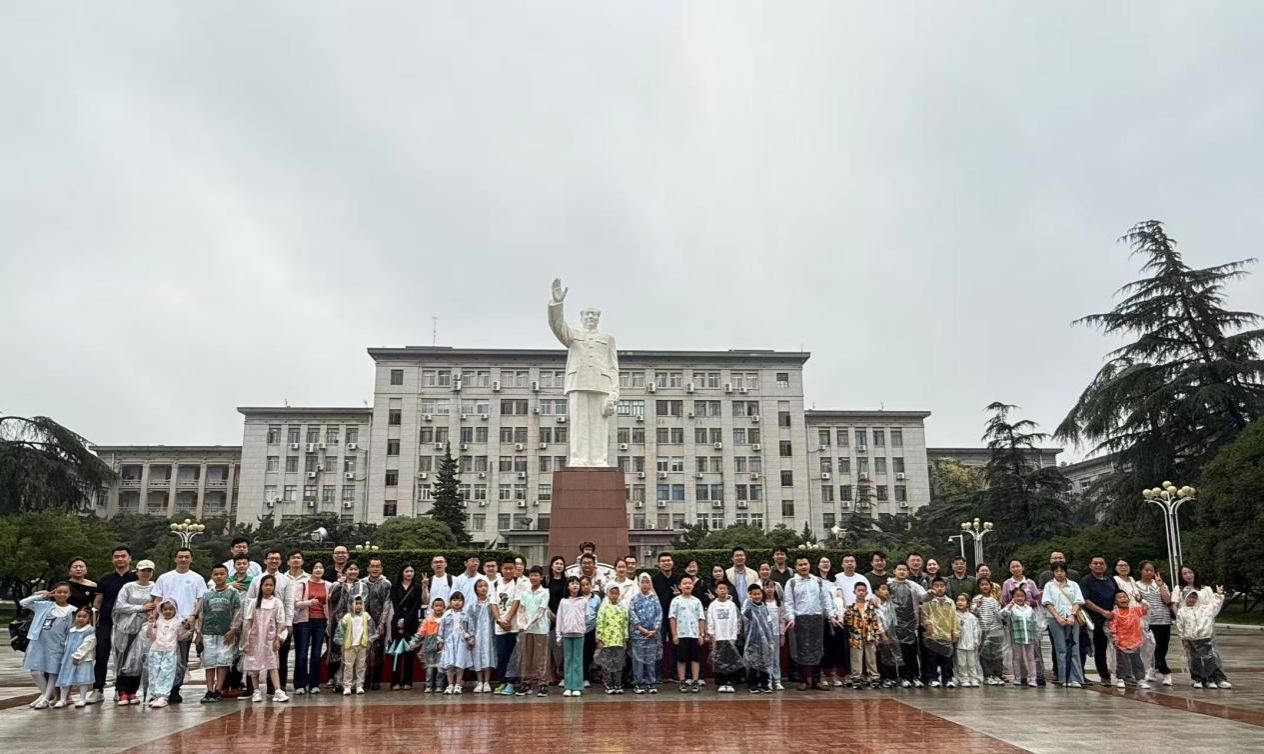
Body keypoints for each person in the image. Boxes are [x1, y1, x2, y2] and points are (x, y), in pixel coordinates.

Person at [149, 548, 207, 704]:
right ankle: (158, 690)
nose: (183, 559)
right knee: (160, 658)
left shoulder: (197, 578)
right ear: (175, 559)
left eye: (186, 557)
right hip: (164, 623)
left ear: (191, 559)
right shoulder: (164, 577)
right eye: (180, 557)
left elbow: (201, 600)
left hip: (184, 623)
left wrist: (193, 616)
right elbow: (158, 599)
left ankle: (175, 689)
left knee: (181, 658)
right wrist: (154, 618)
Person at [244, 549, 294, 694]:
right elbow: (249, 601)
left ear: (281, 561)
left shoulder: (286, 580)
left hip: (277, 625)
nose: (274, 561)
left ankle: (277, 688)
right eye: (271, 558)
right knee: (254, 656)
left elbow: (289, 603)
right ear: (265, 560)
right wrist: (247, 627)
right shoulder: (256, 580)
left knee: (279, 656)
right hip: (257, 626)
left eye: (277, 558)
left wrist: (288, 623)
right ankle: (253, 689)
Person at [90, 546, 135, 705]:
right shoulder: (105, 579)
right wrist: (93, 622)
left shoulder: (135, 579)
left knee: (123, 658)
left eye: (123, 556)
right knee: (101, 655)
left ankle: (120, 689)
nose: (120, 559)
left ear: (129, 558)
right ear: (112, 559)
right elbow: (98, 602)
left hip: (127, 624)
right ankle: (97, 689)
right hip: (105, 622)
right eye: (117, 556)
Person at [784, 555, 836, 691]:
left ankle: (816, 680)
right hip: (800, 619)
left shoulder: (818, 581)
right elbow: (788, 602)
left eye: (805, 564)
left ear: (809, 565)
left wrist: (831, 615)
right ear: (796, 567)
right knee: (802, 649)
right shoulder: (791, 582)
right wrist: (791, 618)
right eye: (800, 565)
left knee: (817, 649)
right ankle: (803, 680)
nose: (803, 567)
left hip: (816, 618)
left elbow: (826, 599)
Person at [21, 584, 75, 709]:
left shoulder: (71, 610)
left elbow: (71, 630)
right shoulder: (44, 605)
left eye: (65, 592)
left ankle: (45, 699)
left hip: (57, 645)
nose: (61, 594)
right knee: (35, 671)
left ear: (69, 594)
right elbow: (24, 602)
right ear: (53, 593)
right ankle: (48, 694)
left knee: (52, 671)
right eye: (58, 592)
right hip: (38, 642)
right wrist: (42, 596)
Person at [110, 560, 156, 705]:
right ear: (137, 572)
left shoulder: (155, 587)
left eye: (149, 571)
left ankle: (133, 691)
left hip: (145, 628)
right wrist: (141, 608)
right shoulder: (128, 587)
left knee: (138, 659)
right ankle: (122, 691)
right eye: (143, 570)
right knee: (124, 658)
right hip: (126, 627)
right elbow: (119, 606)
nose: (145, 573)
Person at [196, 564, 242, 703]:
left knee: (223, 661)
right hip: (209, 632)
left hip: (225, 633)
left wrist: (233, 630)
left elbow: (237, 612)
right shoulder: (207, 594)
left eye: (222, 574)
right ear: (212, 576)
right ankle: (209, 690)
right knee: (209, 663)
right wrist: (199, 633)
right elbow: (202, 614)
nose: (219, 576)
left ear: (227, 575)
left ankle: (218, 689)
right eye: (216, 574)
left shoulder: (233, 593)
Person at [242, 574, 289, 703]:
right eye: (266, 585)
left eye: (271, 585)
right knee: (254, 665)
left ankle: (278, 690)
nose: (268, 587)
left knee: (272, 664)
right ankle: (256, 691)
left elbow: (281, 622)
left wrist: (278, 639)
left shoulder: (277, 602)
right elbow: (248, 622)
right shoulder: (254, 603)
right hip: (255, 638)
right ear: (261, 586)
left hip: (270, 639)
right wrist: (246, 640)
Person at [1001, 559, 1046, 686]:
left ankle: (1036, 676)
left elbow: (1037, 598)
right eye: (1013, 566)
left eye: (1018, 566)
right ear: (1010, 569)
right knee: (1017, 655)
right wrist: (1011, 607)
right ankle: (1020, 677)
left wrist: (1028, 603)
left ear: (1022, 567)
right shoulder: (1007, 583)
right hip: (1015, 620)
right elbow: (1005, 600)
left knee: (1033, 653)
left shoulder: (1030, 583)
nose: (1016, 568)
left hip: (1029, 619)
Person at [1079, 555, 1123, 685]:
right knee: (1100, 648)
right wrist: (1102, 611)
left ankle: (1122, 673)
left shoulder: (1110, 579)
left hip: (1113, 617)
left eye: (1101, 563)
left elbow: (1118, 595)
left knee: (1119, 646)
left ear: (1105, 565)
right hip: (1096, 619)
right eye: (1095, 563)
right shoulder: (1086, 580)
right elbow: (1085, 600)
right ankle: (1104, 676)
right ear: (1090, 565)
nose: (1098, 565)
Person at [1176, 587, 1230, 689]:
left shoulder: (1204, 609)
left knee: (1209, 659)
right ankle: (1198, 679)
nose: (1191, 600)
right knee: (1194, 660)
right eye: (1189, 597)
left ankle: (1210, 679)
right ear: (1185, 598)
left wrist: (1219, 595)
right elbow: (1180, 625)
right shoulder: (1182, 611)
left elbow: (1215, 606)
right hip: (1191, 639)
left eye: (1194, 597)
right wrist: (1183, 638)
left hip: (1204, 637)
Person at [1043, 562, 1086, 687]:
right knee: (1061, 648)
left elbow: (1078, 601)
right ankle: (1064, 678)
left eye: (1062, 571)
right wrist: (1057, 617)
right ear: (1053, 573)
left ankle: (1076, 678)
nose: (1059, 573)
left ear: (1066, 572)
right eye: (1056, 571)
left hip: (1072, 618)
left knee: (1074, 648)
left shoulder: (1074, 585)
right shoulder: (1049, 585)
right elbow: (1047, 602)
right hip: (1055, 618)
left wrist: (1072, 615)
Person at [326, 561, 365, 692]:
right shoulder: (336, 585)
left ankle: (354, 683)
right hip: (339, 624)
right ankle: (339, 681)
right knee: (339, 652)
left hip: (357, 623)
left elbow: (364, 604)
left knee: (355, 653)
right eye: (350, 569)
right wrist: (340, 585)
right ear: (345, 572)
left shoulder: (362, 586)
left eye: (355, 569)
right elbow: (332, 600)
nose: (353, 572)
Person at [145, 599, 192, 708]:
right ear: (161, 610)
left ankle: (163, 696)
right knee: (154, 673)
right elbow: (151, 636)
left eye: (171, 609)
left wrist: (187, 630)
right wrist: (150, 625)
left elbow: (181, 636)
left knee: (166, 674)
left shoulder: (177, 623)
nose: (168, 611)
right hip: (156, 651)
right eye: (165, 609)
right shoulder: (158, 622)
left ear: (175, 610)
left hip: (169, 652)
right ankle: (155, 695)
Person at [887, 561, 927, 687]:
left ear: (908, 572)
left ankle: (914, 676)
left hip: (911, 623)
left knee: (912, 651)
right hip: (895, 624)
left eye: (904, 569)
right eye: (899, 569)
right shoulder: (889, 585)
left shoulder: (912, 585)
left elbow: (923, 596)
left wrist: (930, 593)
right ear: (894, 571)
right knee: (899, 652)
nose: (902, 572)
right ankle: (903, 677)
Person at [292, 561, 329, 695]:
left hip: (321, 621)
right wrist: (309, 603)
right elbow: (296, 603)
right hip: (304, 622)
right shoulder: (302, 584)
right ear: (311, 570)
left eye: (321, 567)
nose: (318, 570)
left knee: (316, 654)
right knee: (302, 654)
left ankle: (314, 683)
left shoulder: (328, 585)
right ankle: (300, 684)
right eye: (316, 567)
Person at [1135, 560, 1174, 686]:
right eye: (1146, 570)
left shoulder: (1160, 583)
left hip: (1164, 619)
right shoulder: (1136, 585)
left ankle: (1153, 669)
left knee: (1163, 647)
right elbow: (1137, 602)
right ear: (1141, 571)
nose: (1149, 572)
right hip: (1149, 621)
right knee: (1155, 647)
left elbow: (1167, 600)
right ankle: (1166, 672)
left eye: (1151, 570)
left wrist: (1161, 585)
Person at [517, 565, 553, 697]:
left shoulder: (545, 592)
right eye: (531, 575)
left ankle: (543, 683)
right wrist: (521, 624)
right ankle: (526, 683)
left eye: (536, 575)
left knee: (541, 658)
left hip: (541, 630)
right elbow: (521, 609)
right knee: (527, 657)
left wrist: (528, 624)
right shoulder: (525, 593)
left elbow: (541, 611)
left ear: (541, 577)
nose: (533, 578)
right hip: (527, 631)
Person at [491, 555, 524, 695]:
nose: (508, 571)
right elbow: (493, 604)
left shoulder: (518, 583)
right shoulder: (495, 584)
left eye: (511, 568)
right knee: (501, 655)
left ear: (515, 569)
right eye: (506, 568)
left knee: (512, 655)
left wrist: (508, 620)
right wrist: (499, 620)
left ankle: (511, 682)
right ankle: (502, 682)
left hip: (513, 627)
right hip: (500, 627)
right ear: (501, 569)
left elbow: (516, 602)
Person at [1106, 590, 1150, 688]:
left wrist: (1141, 600)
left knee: (1137, 661)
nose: (1123, 599)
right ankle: (1120, 678)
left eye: (1124, 596)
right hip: (1121, 642)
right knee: (1122, 662)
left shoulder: (1135, 610)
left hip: (1135, 640)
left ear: (1128, 599)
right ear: (1115, 601)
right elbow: (1112, 627)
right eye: (1119, 597)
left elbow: (1147, 608)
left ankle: (1140, 679)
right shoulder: (1115, 613)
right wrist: (1114, 637)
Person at [388, 564, 422, 690]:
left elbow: (416, 605)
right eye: (407, 571)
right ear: (402, 573)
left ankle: (408, 681)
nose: (409, 573)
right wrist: (400, 619)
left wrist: (406, 620)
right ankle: (395, 681)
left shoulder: (417, 588)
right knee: (397, 652)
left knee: (409, 652)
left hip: (411, 623)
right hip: (397, 622)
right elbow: (395, 604)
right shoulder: (394, 587)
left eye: (411, 571)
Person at [670, 575, 706, 692]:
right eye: (684, 583)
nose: (687, 585)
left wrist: (701, 634)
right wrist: (674, 634)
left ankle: (695, 681)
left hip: (694, 634)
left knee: (695, 658)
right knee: (681, 659)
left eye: (689, 583)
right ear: (680, 586)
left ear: (693, 585)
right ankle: (682, 681)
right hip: (681, 634)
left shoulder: (697, 601)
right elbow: (672, 618)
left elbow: (701, 618)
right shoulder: (676, 601)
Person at [54, 607, 96, 708]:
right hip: (68, 658)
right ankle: (63, 699)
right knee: (65, 677)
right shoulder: (71, 630)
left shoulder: (90, 630)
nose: (81, 618)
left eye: (84, 617)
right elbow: (66, 643)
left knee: (82, 678)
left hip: (83, 659)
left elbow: (88, 645)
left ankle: (82, 698)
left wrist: (78, 655)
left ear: (89, 618)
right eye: (79, 616)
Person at [360, 556, 392, 690]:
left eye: (377, 566)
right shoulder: (361, 583)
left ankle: (376, 679)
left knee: (378, 651)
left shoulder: (386, 584)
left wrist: (382, 623)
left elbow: (387, 604)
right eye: (372, 566)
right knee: (364, 651)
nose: (375, 569)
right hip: (362, 623)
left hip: (379, 622)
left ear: (381, 568)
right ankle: (365, 679)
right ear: (368, 568)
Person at [921, 577, 959, 688]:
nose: (939, 588)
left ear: (945, 587)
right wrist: (927, 624)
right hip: (933, 635)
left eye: (942, 586)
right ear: (932, 587)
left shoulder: (950, 602)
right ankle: (933, 678)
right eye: (936, 586)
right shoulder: (928, 601)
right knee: (932, 659)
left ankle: (948, 678)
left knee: (947, 659)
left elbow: (954, 619)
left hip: (946, 634)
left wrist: (955, 633)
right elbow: (924, 615)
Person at [628, 573, 663, 694]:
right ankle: (638, 683)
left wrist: (655, 629)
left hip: (652, 635)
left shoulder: (654, 598)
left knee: (650, 659)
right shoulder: (634, 599)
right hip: (638, 634)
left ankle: (651, 682)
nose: (645, 585)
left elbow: (659, 614)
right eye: (642, 582)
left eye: (647, 582)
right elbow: (632, 614)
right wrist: (640, 627)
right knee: (638, 660)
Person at [706, 581, 743, 693]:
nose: (722, 590)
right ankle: (721, 682)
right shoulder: (713, 605)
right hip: (718, 637)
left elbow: (735, 621)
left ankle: (729, 682)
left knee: (730, 660)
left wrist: (734, 636)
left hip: (729, 637)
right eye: (720, 588)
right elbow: (710, 620)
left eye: (724, 588)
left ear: (728, 590)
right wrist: (712, 635)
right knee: (718, 660)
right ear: (716, 591)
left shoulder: (731, 605)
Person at [843, 582, 882, 688]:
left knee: (871, 657)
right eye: (859, 590)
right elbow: (847, 623)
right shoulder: (850, 607)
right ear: (854, 592)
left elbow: (875, 621)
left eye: (863, 591)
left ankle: (874, 677)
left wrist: (877, 635)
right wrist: (847, 617)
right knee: (856, 658)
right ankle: (856, 678)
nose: (861, 593)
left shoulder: (871, 607)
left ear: (866, 592)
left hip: (870, 635)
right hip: (855, 635)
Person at [335, 595, 375, 695]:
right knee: (348, 666)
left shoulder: (366, 616)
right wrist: (341, 643)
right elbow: (340, 631)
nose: (358, 606)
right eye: (356, 603)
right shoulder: (347, 617)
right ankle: (347, 686)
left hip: (362, 645)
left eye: (360, 603)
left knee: (361, 666)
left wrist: (370, 640)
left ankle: (359, 685)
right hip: (349, 646)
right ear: (351, 604)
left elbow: (371, 628)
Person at [650, 551, 681, 683]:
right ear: (659, 564)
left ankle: (675, 673)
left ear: (672, 562)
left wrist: (678, 595)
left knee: (676, 645)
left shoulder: (679, 578)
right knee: (658, 644)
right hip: (660, 617)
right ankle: (658, 674)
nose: (666, 563)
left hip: (676, 617)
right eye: (663, 561)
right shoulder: (654, 579)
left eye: (668, 560)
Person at [817, 555, 847, 686]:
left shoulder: (835, 581)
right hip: (821, 618)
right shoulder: (815, 580)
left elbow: (840, 599)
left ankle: (834, 675)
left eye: (827, 562)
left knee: (836, 648)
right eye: (823, 562)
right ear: (818, 565)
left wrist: (839, 615)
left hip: (836, 619)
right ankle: (823, 675)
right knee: (824, 648)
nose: (825, 564)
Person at [1000, 588, 1039, 686]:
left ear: (1025, 597)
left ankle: (1033, 678)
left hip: (1029, 637)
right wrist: (1009, 605)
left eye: (1022, 596)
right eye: (1017, 596)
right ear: (1013, 597)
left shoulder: (1029, 609)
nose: (1020, 598)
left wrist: (1036, 635)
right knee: (1017, 658)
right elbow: (1002, 615)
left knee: (1031, 658)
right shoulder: (1012, 609)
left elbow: (1035, 623)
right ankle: (1018, 677)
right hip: (1016, 637)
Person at [557, 576, 588, 696]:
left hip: (579, 634)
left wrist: (583, 628)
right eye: (572, 583)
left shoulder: (583, 601)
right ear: (568, 586)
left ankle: (577, 686)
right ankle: (568, 686)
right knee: (568, 660)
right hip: (566, 634)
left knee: (578, 660)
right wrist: (558, 635)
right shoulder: (563, 601)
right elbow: (559, 618)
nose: (575, 585)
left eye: (577, 584)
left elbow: (587, 616)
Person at [741, 583, 775, 693]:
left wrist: (770, 639)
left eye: (758, 594)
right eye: (754, 594)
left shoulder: (764, 607)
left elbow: (769, 623)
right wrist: (748, 601)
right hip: (752, 640)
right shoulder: (748, 607)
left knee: (765, 662)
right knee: (753, 663)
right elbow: (745, 616)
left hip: (765, 640)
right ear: (750, 595)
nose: (757, 596)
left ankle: (765, 684)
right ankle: (753, 684)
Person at [596, 584, 630, 694]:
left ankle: (617, 684)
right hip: (607, 641)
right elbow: (600, 624)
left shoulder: (622, 609)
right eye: (612, 593)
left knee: (618, 663)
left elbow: (625, 624)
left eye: (616, 593)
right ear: (608, 594)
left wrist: (625, 640)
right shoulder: (604, 609)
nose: (614, 596)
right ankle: (608, 684)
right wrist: (599, 639)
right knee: (607, 664)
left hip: (618, 641)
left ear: (619, 595)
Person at [758, 563, 787, 690]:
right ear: (763, 589)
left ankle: (777, 680)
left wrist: (782, 635)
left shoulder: (779, 604)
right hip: (764, 635)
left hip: (775, 634)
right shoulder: (761, 604)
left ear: (775, 588)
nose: (769, 589)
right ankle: (767, 680)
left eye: (771, 587)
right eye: (767, 587)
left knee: (776, 658)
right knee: (765, 658)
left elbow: (782, 620)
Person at [972, 579, 1005, 685]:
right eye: (982, 585)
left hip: (994, 630)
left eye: (986, 584)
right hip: (982, 630)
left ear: (990, 586)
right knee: (984, 653)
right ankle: (987, 675)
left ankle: (997, 674)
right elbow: (973, 613)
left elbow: (999, 614)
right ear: (979, 587)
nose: (984, 587)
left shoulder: (994, 600)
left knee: (996, 653)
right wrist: (977, 606)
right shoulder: (976, 599)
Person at [466, 579, 496, 693]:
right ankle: (479, 682)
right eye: (480, 586)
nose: (483, 588)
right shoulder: (472, 605)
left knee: (488, 655)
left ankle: (487, 682)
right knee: (477, 656)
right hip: (477, 635)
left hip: (489, 634)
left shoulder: (492, 604)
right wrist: (471, 636)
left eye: (485, 586)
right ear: (476, 589)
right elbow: (470, 621)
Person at [438, 591, 471, 694]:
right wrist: (440, 640)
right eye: (454, 600)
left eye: (460, 600)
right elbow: (441, 629)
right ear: (450, 602)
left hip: (461, 642)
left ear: (463, 602)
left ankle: (458, 685)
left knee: (460, 664)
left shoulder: (466, 615)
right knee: (450, 664)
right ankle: (450, 685)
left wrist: (471, 638)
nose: (457, 602)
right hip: (449, 642)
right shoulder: (446, 615)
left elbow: (471, 628)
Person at [873, 582, 903, 687]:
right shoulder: (874, 605)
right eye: (883, 589)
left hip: (892, 631)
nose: (887, 592)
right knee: (882, 655)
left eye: (887, 590)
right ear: (876, 592)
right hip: (880, 633)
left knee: (894, 654)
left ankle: (896, 676)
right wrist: (882, 633)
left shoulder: (890, 603)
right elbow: (877, 620)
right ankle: (885, 677)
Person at [953, 594, 982, 688]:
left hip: (971, 644)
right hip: (960, 643)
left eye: (963, 600)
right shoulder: (954, 615)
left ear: (968, 603)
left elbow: (975, 630)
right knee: (961, 663)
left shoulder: (972, 617)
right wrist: (959, 625)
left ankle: (973, 678)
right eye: (958, 600)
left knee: (972, 663)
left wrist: (976, 640)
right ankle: (963, 679)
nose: (960, 602)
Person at [420, 598, 444, 692]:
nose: (438, 608)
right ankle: (428, 685)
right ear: (432, 607)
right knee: (429, 667)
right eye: (436, 606)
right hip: (429, 646)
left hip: (441, 647)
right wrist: (415, 641)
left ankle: (439, 685)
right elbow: (421, 632)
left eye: (440, 606)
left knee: (440, 667)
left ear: (444, 607)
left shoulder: (445, 619)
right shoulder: (428, 620)